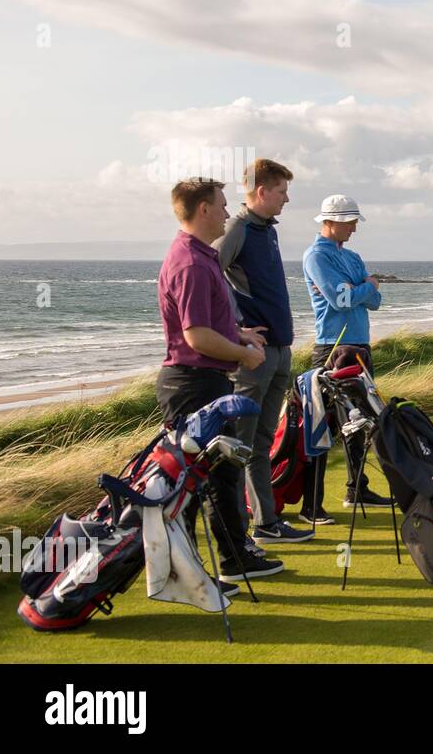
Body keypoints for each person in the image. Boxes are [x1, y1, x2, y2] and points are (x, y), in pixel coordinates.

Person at [156, 177, 285, 589]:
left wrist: (240, 334)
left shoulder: (202, 255)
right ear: (203, 210)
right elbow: (196, 336)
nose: (229, 212)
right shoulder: (191, 262)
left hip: (204, 381)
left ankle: (233, 557)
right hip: (191, 384)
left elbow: (213, 323)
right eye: (223, 205)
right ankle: (185, 571)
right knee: (191, 483)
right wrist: (244, 354)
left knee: (222, 473)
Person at [212, 158, 313, 545]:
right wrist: (234, 330)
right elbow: (210, 274)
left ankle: (266, 521)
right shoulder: (237, 227)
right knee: (241, 444)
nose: (287, 200)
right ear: (262, 192)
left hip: (279, 349)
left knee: (263, 441)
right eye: (283, 192)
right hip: (255, 355)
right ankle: (238, 532)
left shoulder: (265, 230)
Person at [299, 194, 393, 523]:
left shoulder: (351, 256)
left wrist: (361, 289)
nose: (354, 228)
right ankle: (311, 506)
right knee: (321, 426)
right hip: (331, 348)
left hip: (360, 346)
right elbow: (342, 300)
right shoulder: (315, 256)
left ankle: (357, 488)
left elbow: (374, 301)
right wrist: (365, 286)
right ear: (331, 221)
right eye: (350, 222)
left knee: (361, 422)